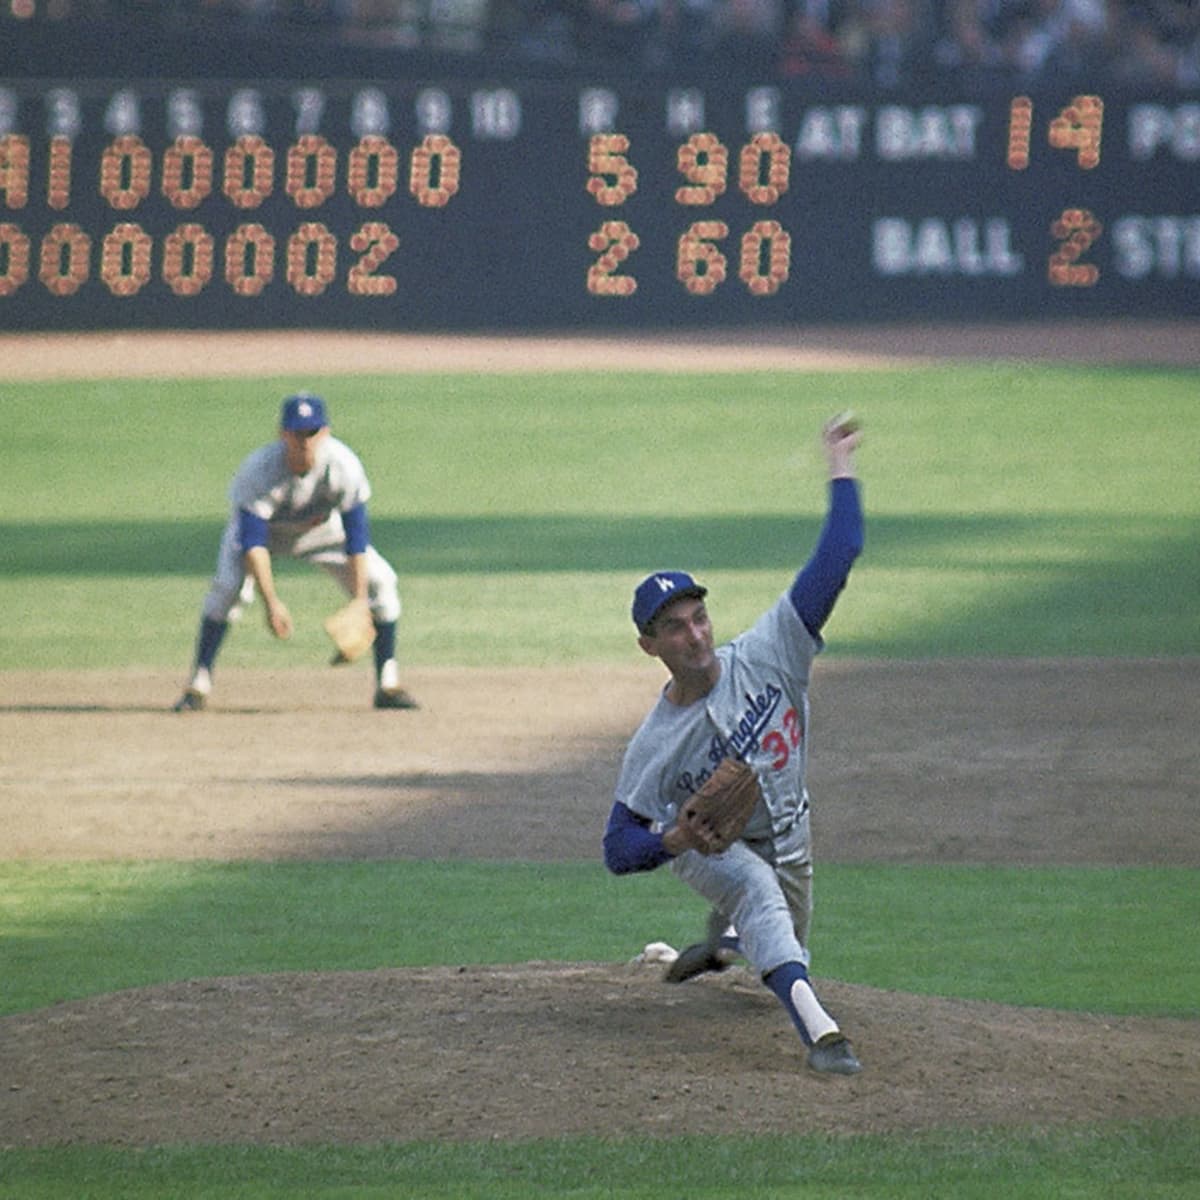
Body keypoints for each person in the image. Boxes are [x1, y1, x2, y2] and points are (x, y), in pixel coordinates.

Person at [603, 412, 864, 1076]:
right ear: (650, 646)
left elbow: (839, 555)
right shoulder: (654, 745)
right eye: (674, 628)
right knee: (754, 892)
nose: (693, 636)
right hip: (710, 853)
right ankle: (823, 1037)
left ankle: (718, 947)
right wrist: (672, 843)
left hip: (794, 837)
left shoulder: (770, 649)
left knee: (778, 934)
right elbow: (616, 846)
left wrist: (840, 463)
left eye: (699, 618)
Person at [173, 391, 418, 712]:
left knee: (381, 582)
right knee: (228, 589)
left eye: (311, 432)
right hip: (267, 535)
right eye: (296, 432)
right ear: (282, 433)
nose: (304, 440)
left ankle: (388, 684)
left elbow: (356, 538)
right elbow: (253, 544)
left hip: (320, 531)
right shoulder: (258, 470)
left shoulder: (343, 465)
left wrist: (359, 602)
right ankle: (198, 684)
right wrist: (271, 603)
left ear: (325, 432)